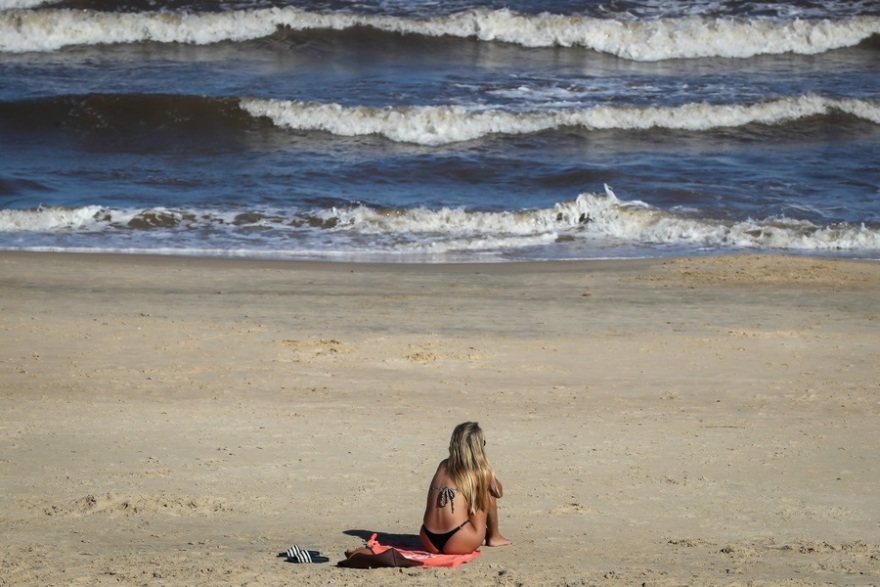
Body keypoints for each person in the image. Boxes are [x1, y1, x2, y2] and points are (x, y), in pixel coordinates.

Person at [419, 421, 511, 554]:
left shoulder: (443, 465)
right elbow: (498, 492)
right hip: (458, 539)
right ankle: (494, 537)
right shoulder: (481, 471)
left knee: (465, 493)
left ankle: (473, 533)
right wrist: (488, 472)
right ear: (478, 446)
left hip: (428, 539)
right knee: (486, 491)